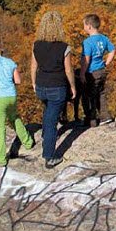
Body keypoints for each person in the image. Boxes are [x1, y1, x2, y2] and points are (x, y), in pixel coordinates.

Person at [31, 10, 77, 169]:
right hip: (57, 87)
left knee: (48, 113)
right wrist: (72, 86)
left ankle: (45, 135)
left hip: (41, 86)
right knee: (51, 121)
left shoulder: (36, 45)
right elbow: (68, 70)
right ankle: (49, 156)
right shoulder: (64, 47)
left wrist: (33, 83)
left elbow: (33, 66)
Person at [80, 13, 116, 127]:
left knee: (87, 96)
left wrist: (82, 73)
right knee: (101, 93)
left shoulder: (87, 42)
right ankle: (105, 116)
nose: (84, 28)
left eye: (84, 25)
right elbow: (112, 50)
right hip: (101, 70)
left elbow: (87, 59)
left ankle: (91, 119)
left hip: (91, 72)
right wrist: (106, 62)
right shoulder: (104, 38)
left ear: (89, 26)